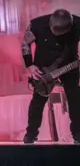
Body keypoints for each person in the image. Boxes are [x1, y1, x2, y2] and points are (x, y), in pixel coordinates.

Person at [21, 9, 80, 144]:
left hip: (70, 65)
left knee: (75, 99)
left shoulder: (78, 24)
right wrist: (29, 65)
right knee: (38, 102)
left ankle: (78, 133)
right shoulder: (37, 25)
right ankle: (31, 133)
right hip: (44, 68)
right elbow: (25, 43)